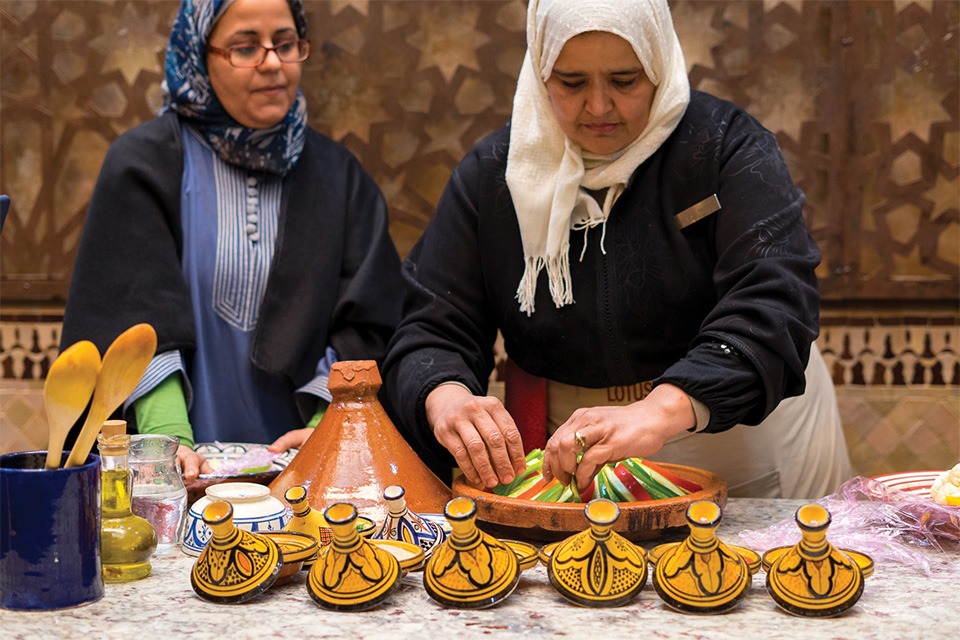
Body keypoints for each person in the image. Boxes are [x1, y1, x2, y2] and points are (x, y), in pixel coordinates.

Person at [380, 0, 851, 500]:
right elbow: (432, 326)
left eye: (625, 81)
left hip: (731, 428)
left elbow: (776, 299)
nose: (599, 106)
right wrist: (446, 396)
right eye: (571, 82)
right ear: (539, 73)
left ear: (659, 63)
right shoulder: (492, 176)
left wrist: (661, 410)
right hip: (575, 450)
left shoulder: (726, 148)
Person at [60, 0, 402, 480]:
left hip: (306, 476)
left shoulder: (339, 177)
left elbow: (370, 318)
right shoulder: (143, 165)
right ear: (200, 54)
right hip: (174, 478)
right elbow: (125, 317)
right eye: (244, 47)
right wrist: (168, 442)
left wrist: (331, 427)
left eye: (285, 43)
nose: (272, 62)